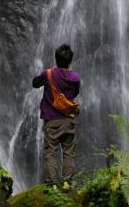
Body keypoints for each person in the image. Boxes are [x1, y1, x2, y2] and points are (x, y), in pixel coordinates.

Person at [32, 44, 80, 187]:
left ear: (56, 58)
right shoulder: (75, 77)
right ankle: (67, 182)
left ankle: (52, 184)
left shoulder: (47, 74)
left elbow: (34, 84)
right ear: (70, 60)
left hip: (52, 120)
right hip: (68, 119)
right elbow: (76, 93)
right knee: (68, 151)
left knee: (51, 151)